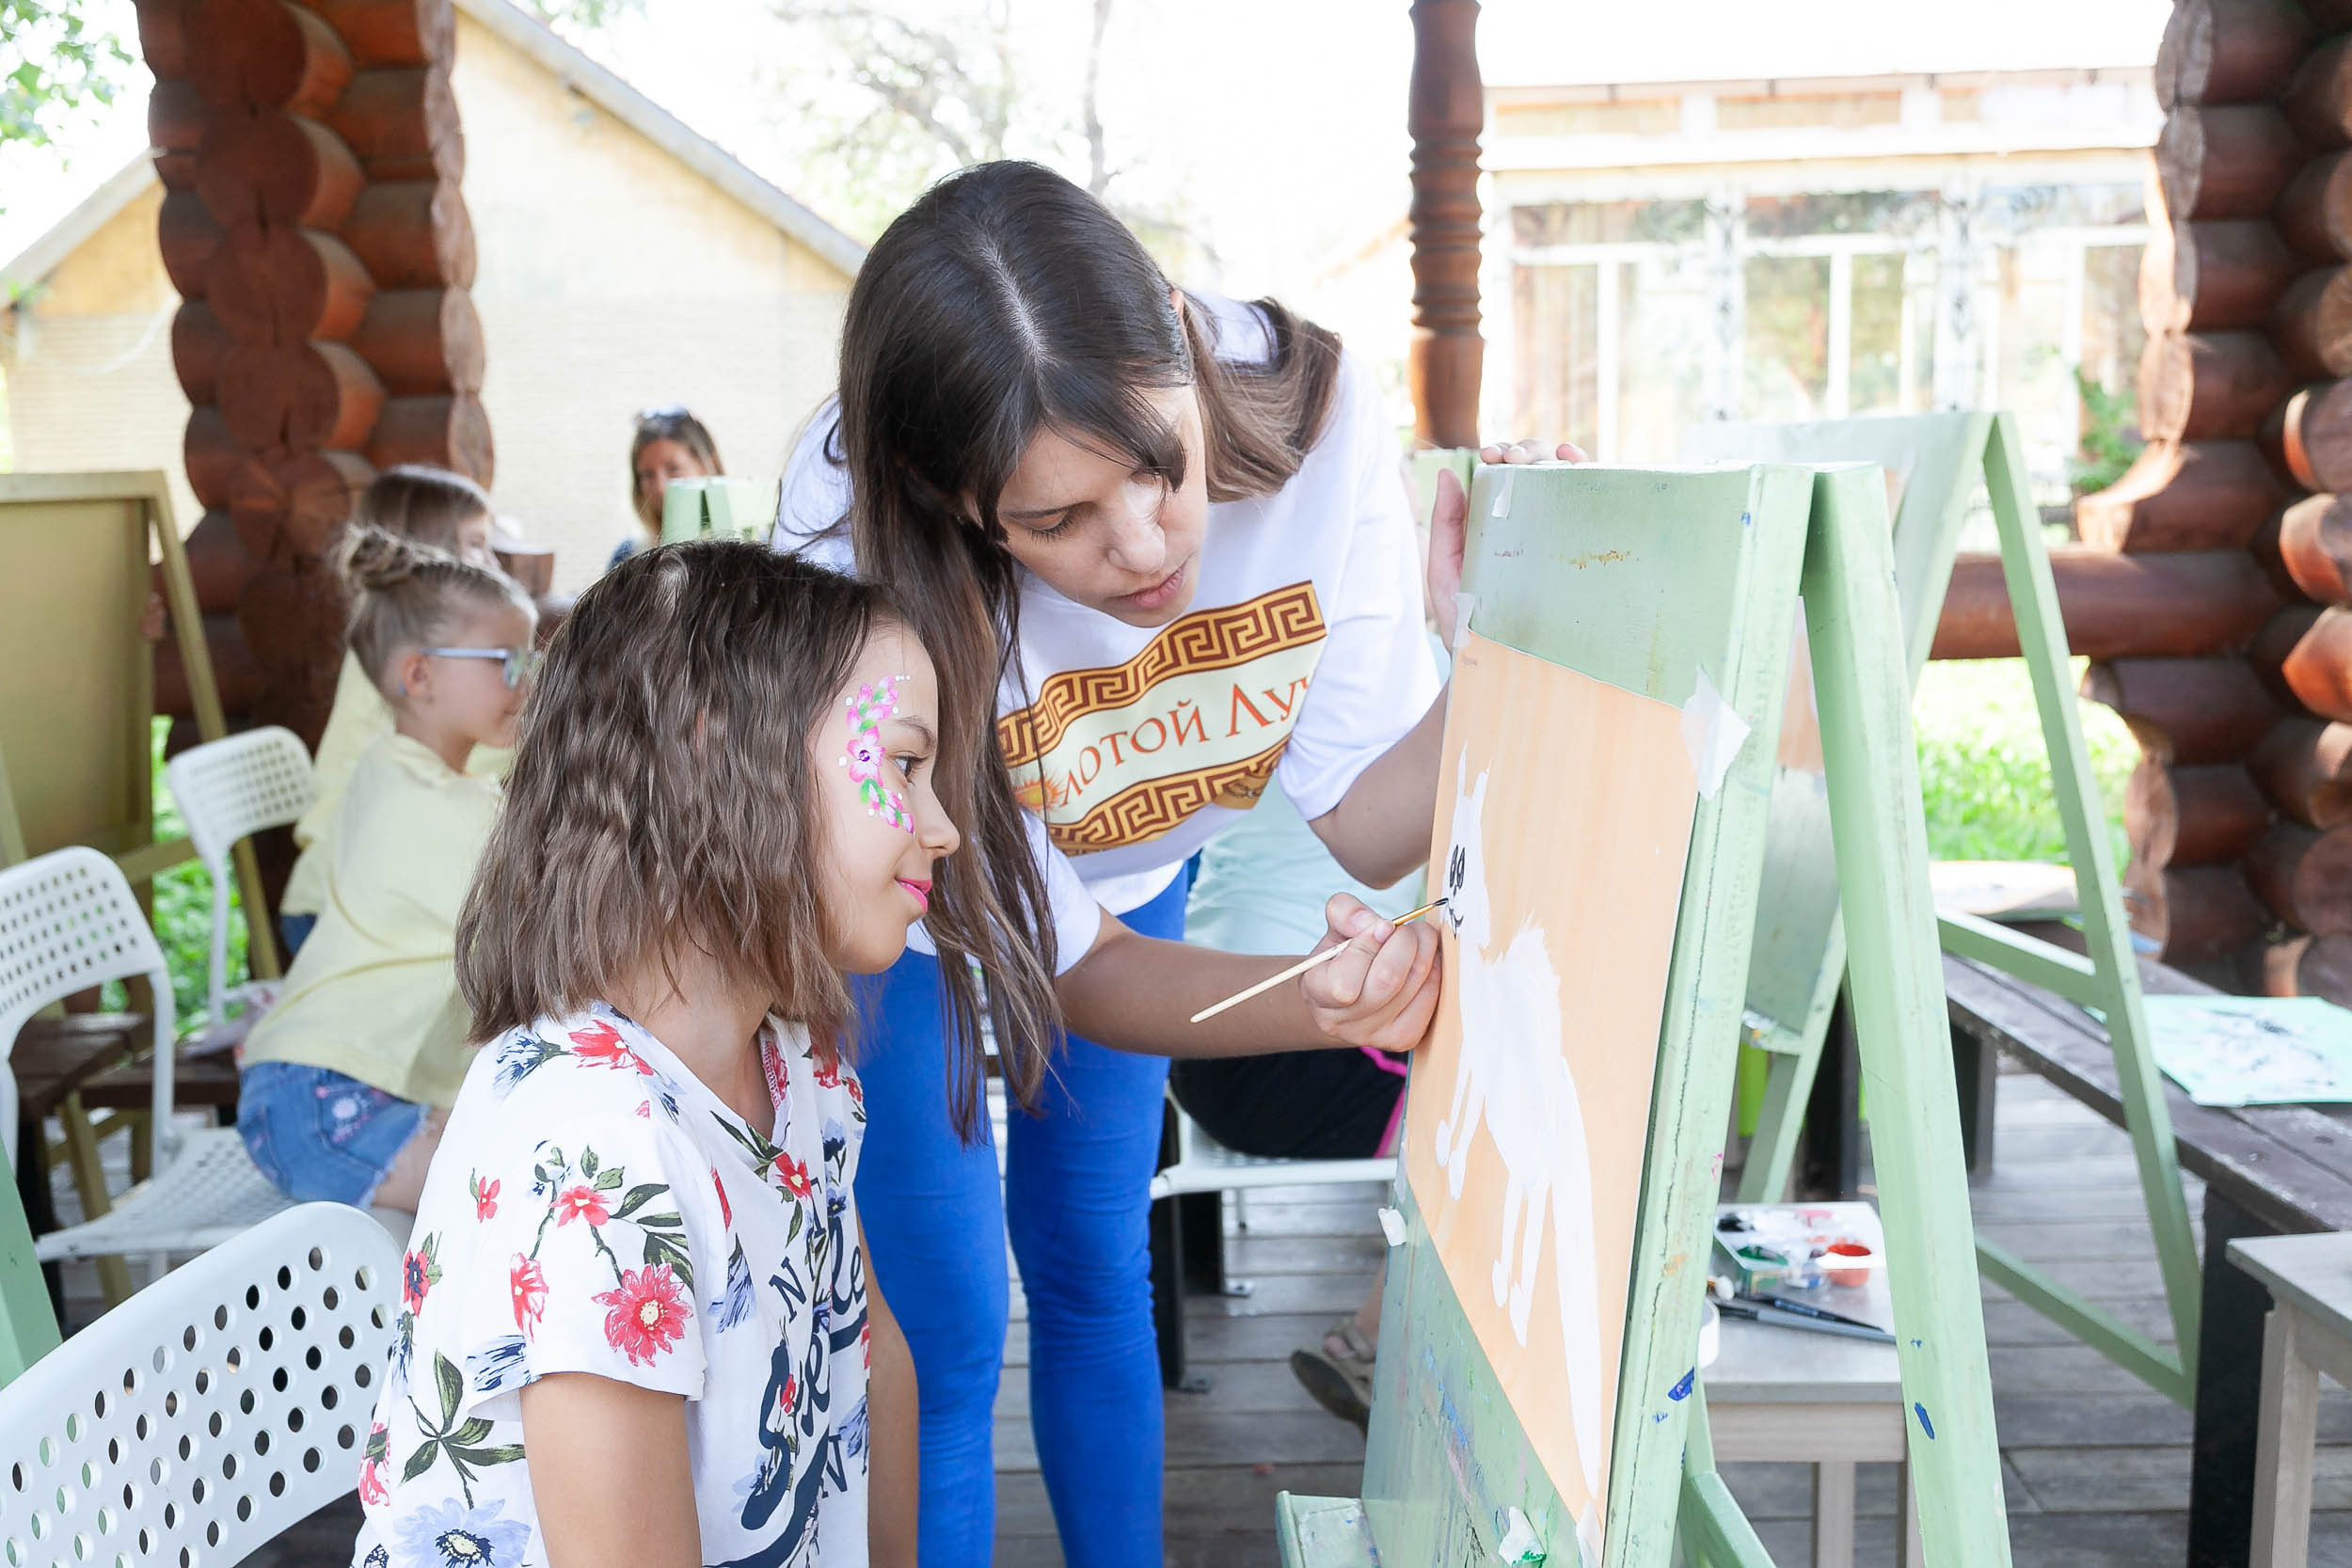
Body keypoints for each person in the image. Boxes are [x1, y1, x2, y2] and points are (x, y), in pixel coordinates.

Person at [775, 159, 1553, 1566]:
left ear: (1185, 354)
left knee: (1090, 1268)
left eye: (1157, 463)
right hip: (897, 917)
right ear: (949, 501)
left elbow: (1375, 816)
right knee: (941, 1326)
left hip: (1134, 880)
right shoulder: (848, 541)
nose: (1144, 547)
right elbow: (1076, 968)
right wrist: (1323, 991)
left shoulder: (1314, 419)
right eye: (1057, 521)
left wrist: (1503, 638)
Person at [350, 542, 946, 1568]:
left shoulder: (795, 1064)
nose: (941, 827)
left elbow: (866, 1356)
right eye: (901, 763)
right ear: (718, 753)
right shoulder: (595, 1155)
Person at [238, 528, 536, 1212]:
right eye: (505, 661)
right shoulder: (423, 806)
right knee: (515, 1192)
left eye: (530, 658)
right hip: (321, 1095)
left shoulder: (389, 765)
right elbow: (545, 918)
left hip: (335, 1084)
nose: (528, 679)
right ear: (419, 675)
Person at [279, 467, 511, 959]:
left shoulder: (419, 652)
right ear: (432, 554)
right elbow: (491, 756)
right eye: (476, 546)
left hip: (371, 886)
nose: (494, 563)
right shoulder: (417, 663)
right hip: (344, 904)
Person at [615, 405, 724, 568]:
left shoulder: (752, 547)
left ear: (707, 467)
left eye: (674, 469)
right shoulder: (626, 555)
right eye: (647, 475)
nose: (660, 487)